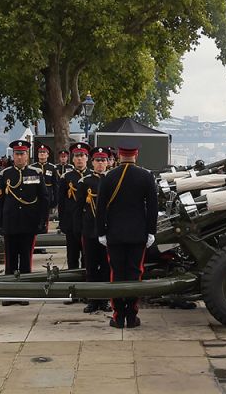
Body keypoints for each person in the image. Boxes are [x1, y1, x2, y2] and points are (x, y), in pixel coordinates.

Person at [95, 140, 158, 328]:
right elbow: (152, 208)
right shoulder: (146, 177)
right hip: (138, 234)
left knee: (116, 274)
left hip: (114, 234)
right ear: (136, 154)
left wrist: (101, 232)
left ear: (119, 155)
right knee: (134, 273)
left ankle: (118, 315)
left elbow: (100, 209)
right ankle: (131, 315)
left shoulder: (108, 177)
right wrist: (151, 232)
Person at [0, 139, 51, 305]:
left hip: (29, 222)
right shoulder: (5, 174)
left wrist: (42, 221)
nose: (20, 157)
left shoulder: (35, 173)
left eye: (23, 153)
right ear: (13, 155)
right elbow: (0, 201)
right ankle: (9, 293)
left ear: (28, 155)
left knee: (26, 259)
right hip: (11, 222)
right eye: (17, 154)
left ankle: (25, 292)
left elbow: (44, 199)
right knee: (10, 260)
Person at [77, 146, 111, 313]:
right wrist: (79, 228)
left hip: (107, 230)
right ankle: (92, 299)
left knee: (106, 266)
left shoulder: (111, 180)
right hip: (89, 230)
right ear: (92, 162)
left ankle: (104, 299)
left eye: (103, 160)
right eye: (97, 160)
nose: (100, 164)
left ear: (108, 162)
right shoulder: (85, 182)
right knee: (90, 266)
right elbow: (78, 208)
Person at [57, 142, 90, 271]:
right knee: (72, 256)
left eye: (82, 156)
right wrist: (63, 222)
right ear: (73, 159)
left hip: (88, 223)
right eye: (76, 156)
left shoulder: (93, 176)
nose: (79, 159)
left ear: (87, 158)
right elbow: (62, 203)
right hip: (71, 223)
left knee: (88, 256)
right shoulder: (66, 177)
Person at [30, 143, 58, 231]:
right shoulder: (32, 167)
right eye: (40, 152)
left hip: (48, 192)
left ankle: (44, 227)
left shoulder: (52, 167)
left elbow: (55, 184)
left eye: (44, 152)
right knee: (35, 212)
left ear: (48, 154)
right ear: (38, 154)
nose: (42, 154)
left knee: (45, 213)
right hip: (35, 194)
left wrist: (55, 199)